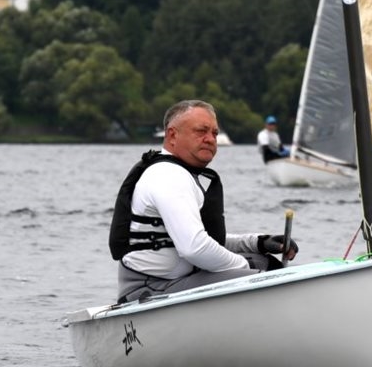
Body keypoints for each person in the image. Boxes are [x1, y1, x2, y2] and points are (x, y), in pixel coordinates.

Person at [109, 100, 298, 303]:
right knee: (265, 276)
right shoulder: (168, 175)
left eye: (214, 133)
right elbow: (195, 248)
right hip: (150, 289)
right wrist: (246, 266)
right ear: (172, 135)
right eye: (201, 131)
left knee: (264, 262)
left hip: (173, 280)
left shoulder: (178, 172)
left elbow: (205, 240)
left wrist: (258, 243)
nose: (210, 139)